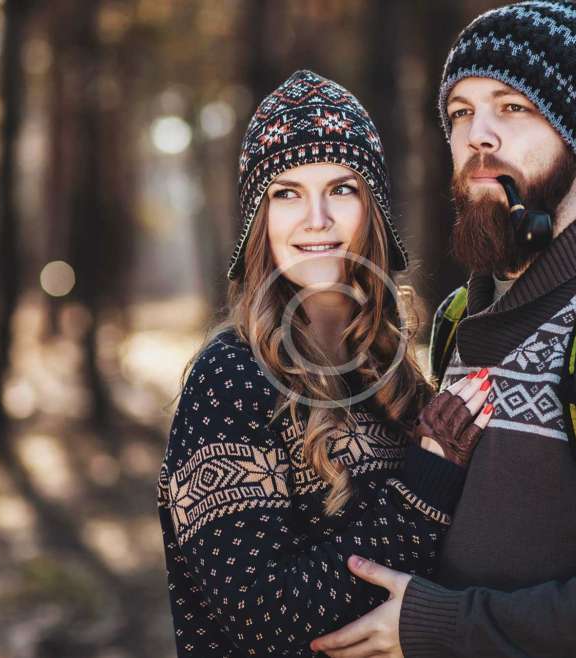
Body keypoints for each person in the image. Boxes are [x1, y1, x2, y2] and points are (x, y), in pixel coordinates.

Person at [312, 3, 576, 657]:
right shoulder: (459, 320)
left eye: (512, 107)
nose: (477, 134)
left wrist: (442, 627)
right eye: (460, 111)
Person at [157, 69, 493, 657]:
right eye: (286, 192)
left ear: (374, 209)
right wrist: (425, 483)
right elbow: (266, 619)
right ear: (258, 221)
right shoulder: (231, 380)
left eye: (342, 189)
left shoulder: (394, 380)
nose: (317, 219)